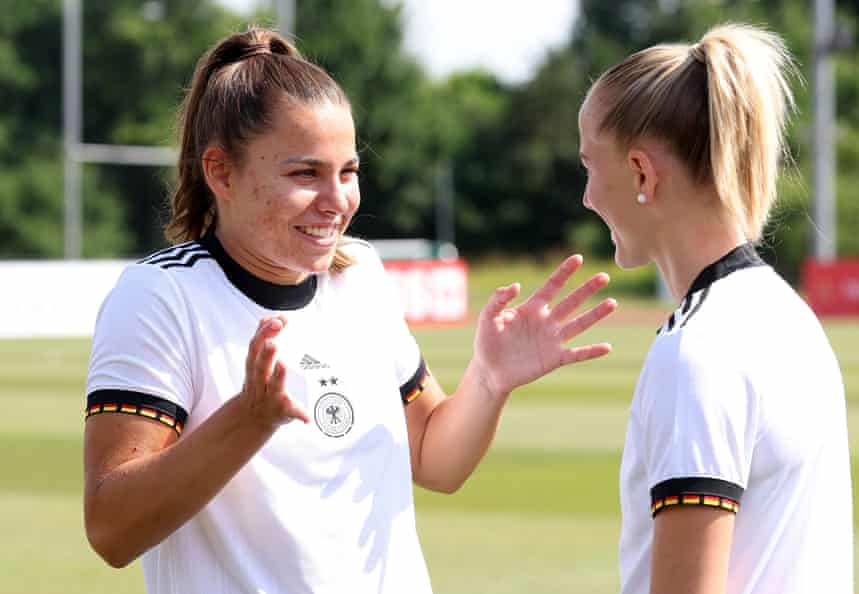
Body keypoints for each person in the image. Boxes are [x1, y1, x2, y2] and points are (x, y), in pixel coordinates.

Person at [82, 27, 618, 594]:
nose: (337, 201)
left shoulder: (359, 275)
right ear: (221, 172)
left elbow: (435, 461)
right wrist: (249, 419)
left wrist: (489, 381)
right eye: (304, 174)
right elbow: (112, 528)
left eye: (348, 171)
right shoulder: (159, 297)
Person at [577, 23, 852, 594]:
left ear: (640, 173)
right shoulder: (787, 315)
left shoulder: (697, 354)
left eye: (588, 167)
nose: (587, 196)